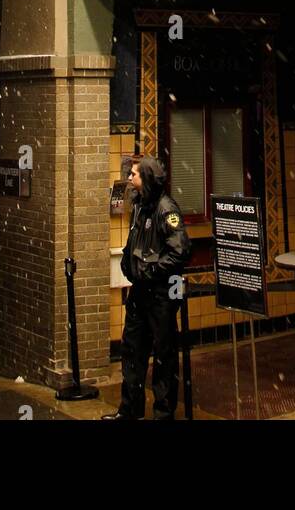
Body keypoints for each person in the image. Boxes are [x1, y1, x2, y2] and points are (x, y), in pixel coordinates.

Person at [102, 156, 191, 421]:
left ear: (148, 179)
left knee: (163, 355)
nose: (129, 178)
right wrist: (130, 266)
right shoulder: (140, 205)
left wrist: (152, 272)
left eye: (135, 174)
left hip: (161, 295)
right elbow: (134, 242)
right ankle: (129, 410)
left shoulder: (166, 209)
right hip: (139, 291)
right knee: (132, 351)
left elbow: (181, 251)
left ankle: (163, 414)